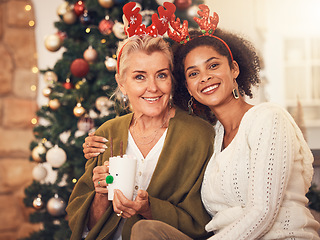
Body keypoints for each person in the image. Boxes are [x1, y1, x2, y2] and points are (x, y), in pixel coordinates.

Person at [84, 4, 320, 239]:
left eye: (213, 65)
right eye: (193, 73)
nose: (205, 77)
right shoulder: (214, 136)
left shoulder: (268, 118)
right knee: (146, 230)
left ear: (234, 68)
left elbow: (263, 212)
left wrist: (150, 208)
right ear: (186, 86)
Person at [66, 4, 215, 240]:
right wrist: (101, 194)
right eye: (139, 77)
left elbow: (204, 223)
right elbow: (85, 227)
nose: (153, 88)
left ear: (171, 80)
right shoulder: (108, 133)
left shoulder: (199, 135)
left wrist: (148, 208)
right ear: (122, 83)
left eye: (161, 75)